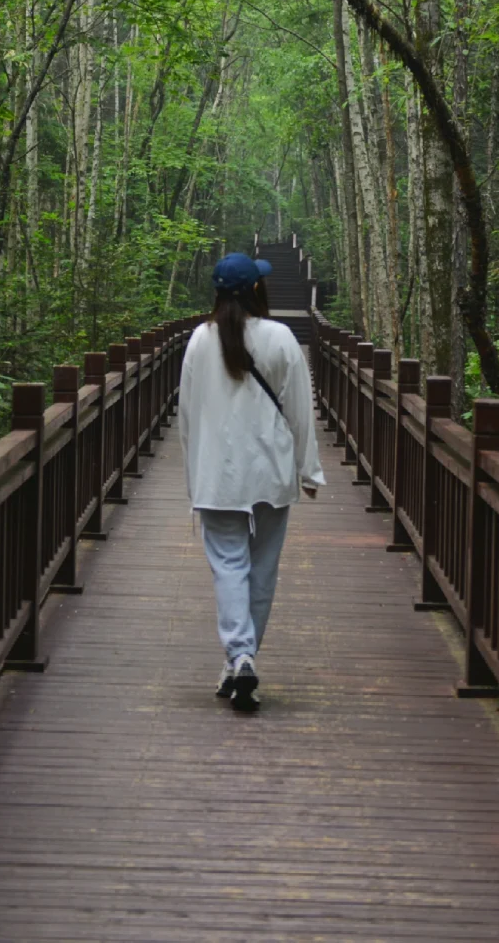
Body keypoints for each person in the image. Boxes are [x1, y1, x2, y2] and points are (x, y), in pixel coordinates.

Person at [178, 251, 326, 712]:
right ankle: (243, 657)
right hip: (270, 471)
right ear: (257, 290)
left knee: (228, 566)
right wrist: (308, 469)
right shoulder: (281, 337)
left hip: (219, 475)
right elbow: (301, 409)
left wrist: (193, 474)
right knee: (261, 570)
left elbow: (186, 413)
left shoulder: (200, 340)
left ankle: (239, 655)